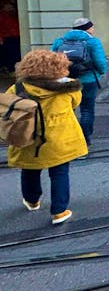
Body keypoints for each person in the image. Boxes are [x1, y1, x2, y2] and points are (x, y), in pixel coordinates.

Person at [6, 50, 87, 225]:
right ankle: (59, 211)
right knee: (59, 172)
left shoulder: (18, 87)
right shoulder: (69, 87)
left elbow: (9, 106)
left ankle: (32, 200)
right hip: (59, 138)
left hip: (29, 137)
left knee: (29, 169)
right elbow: (76, 103)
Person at [51, 18, 107, 146]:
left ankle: (67, 138)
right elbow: (100, 62)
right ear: (87, 28)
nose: (93, 29)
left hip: (65, 80)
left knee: (67, 109)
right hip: (87, 80)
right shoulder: (92, 42)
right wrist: (101, 72)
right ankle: (84, 139)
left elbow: (51, 60)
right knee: (87, 109)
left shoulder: (60, 41)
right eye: (92, 27)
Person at [0, 0, 21, 73]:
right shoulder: (2, 16)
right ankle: (10, 69)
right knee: (10, 54)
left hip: (17, 36)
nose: (10, 7)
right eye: (8, 5)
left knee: (16, 53)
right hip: (8, 37)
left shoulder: (14, 14)